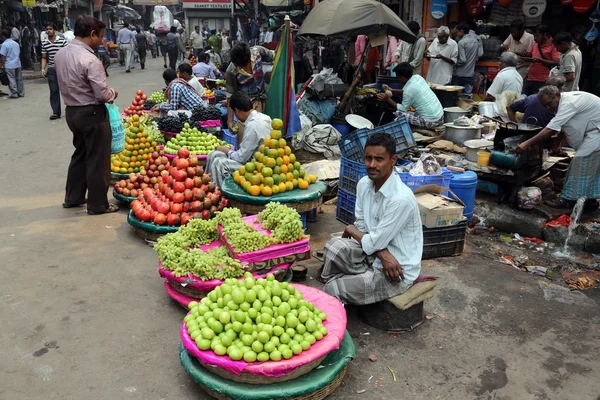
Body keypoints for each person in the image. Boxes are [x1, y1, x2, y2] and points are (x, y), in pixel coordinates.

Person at [319, 132, 423, 304]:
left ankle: (343, 288)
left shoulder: (400, 199)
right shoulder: (364, 184)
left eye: (379, 159)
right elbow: (361, 225)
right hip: (375, 254)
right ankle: (350, 284)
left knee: (332, 289)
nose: (372, 164)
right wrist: (381, 252)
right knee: (333, 246)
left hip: (396, 270)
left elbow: (360, 232)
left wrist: (351, 230)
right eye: (368, 158)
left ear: (393, 160)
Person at [54, 15, 119, 215]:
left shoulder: (60, 54)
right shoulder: (90, 59)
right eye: (100, 37)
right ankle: (98, 204)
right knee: (98, 159)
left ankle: (73, 198)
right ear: (92, 34)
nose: (102, 41)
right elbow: (102, 94)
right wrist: (113, 93)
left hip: (72, 112)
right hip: (92, 113)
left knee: (80, 154)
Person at [516, 86, 600, 210]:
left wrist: (526, 144)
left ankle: (567, 200)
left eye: (549, 104)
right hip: (593, 133)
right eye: (545, 105)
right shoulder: (561, 104)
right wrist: (556, 145)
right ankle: (590, 200)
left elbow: (552, 128)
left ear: (558, 95)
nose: (547, 108)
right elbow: (562, 125)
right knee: (590, 169)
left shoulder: (569, 103)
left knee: (580, 164)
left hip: (596, 133)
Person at [206, 91, 272, 188]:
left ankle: (221, 195)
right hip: (256, 160)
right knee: (214, 154)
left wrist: (227, 151)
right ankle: (208, 187)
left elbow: (242, 158)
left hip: (257, 168)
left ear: (237, 110)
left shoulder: (253, 125)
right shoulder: (265, 117)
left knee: (219, 163)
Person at [377, 63, 443, 129]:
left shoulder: (408, 91)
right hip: (440, 117)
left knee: (398, 114)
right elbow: (410, 91)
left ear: (402, 77)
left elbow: (403, 109)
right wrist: (393, 90)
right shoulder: (418, 77)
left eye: (397, 77)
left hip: (431, 121)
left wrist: (388, 99)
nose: (398, 80)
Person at [226, 43, 275, 131]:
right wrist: (230, 120)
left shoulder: (258, 52)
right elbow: (230, 96)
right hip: (246, 108)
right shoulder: (231, 71)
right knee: (247, 134)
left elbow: (274, 55)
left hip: (264, 99)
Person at [524, 25, 560, 95]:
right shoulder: (536, 44)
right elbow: (531, 55)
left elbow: (556, 62)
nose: (535, 38)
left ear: (545, 35)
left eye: (537, 36)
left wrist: (540, 60)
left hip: (543, 80)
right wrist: (525, 55)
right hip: (530, 78)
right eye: (534, 36)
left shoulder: (553, 45)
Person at [41, 23, 68, 119]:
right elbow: (44, 57)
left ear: (54, 30)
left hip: (63, 69)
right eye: (47, 29)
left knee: (66, 89)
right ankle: (56, 112)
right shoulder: (44, 43)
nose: (48, 31)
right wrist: (43, 69)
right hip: (52, 69)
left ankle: (70, 108)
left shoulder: (62, 42)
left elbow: (67, 55)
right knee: (53, 90)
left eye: (50, 29)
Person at [452, 22, 483, 95]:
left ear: (462, 31)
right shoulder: (476, 41)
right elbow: (479, 54)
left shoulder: (461, 42)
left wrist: (454, 62)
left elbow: (462, 60)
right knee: (467, 97)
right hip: (470, 74)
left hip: (460, 75)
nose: (457, 34)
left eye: (457, 32)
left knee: (456, 96)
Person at [0, 29, 24, 99]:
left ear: (3, 36)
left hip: (9, 64)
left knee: (11, 79)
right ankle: (21, 93)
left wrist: (1, 65)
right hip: (17, 63)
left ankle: (14, 93)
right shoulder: (16, 44)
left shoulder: (4, 45)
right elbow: (18, 53)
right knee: (19, 79)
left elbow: (3, 56)